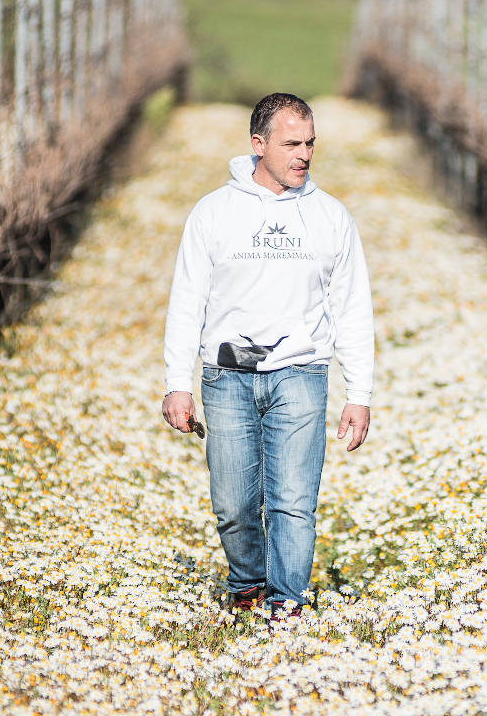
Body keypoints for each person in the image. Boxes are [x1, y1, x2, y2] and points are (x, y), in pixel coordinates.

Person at [162, 93, 374, 619]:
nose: (303, 155)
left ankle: (287, 605)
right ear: (258, 145)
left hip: (302, 376)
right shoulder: (213, 213)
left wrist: (359, 394)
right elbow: (187, 300)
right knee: (234, 506)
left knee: (293, 504)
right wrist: (177, 382)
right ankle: (249, 584)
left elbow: (352, 309)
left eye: (309, 144)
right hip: (226, 378)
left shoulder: (330, 217)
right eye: (291, 144)